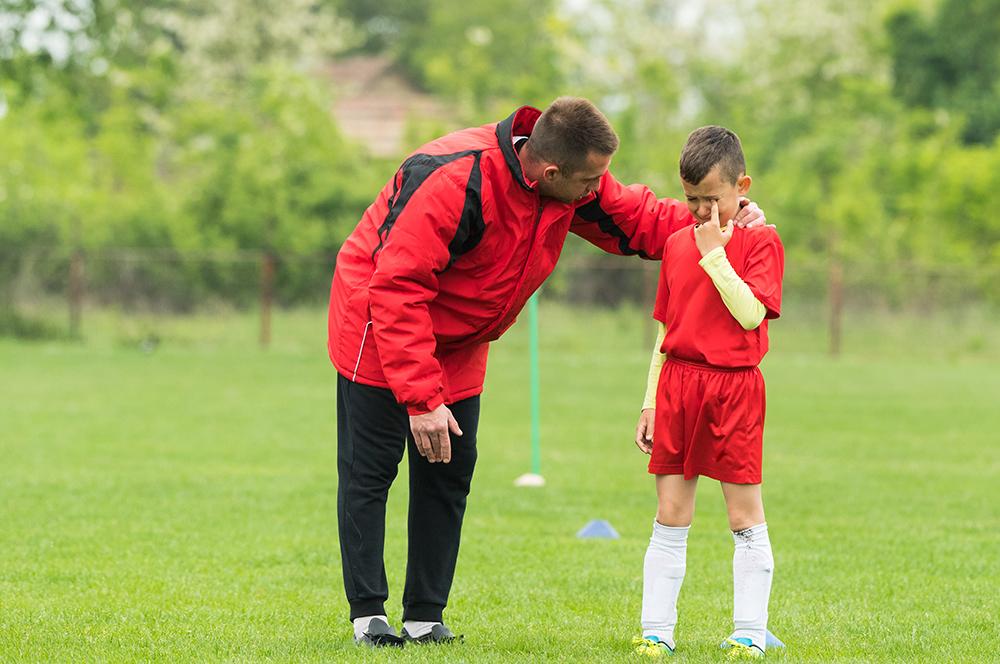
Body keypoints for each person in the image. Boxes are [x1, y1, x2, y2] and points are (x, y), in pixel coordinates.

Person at [327, 98, 767, 647]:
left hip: (461, 338)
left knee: (449, 469)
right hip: (376, 319)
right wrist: (420, 399)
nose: (596, 191)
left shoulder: (572, 180)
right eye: (589, 182)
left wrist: (721, 218)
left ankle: (424, 617)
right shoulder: (452, 180)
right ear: (551, 172)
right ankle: (368, 616)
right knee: (372, 473)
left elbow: (640, 219)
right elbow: (396, 286)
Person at [631, 126, 784, 659]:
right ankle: (656, 631)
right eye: (692, 199)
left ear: (741, 187)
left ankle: (748, 630)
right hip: (678, 388)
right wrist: (650, 400)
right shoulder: (675, 245)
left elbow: (750, 314)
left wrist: (716, 255)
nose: (701, 212)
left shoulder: (762, 242)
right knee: (670, 512)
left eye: (712, 199)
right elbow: (664, 334)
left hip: (735, 389)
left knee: (744, 514)